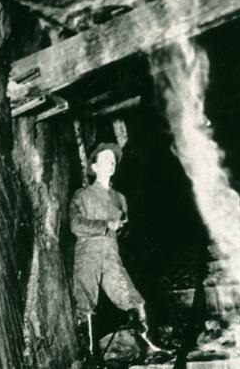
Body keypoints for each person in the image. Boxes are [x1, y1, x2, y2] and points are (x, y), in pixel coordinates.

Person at [70, 142, 162, 364]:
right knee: (85, 304)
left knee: (132, 298)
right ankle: (90, 357)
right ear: (94, 167)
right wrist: (106, 225)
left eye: (112, 161)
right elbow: (76, 225)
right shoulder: (82, 195)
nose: (110, 165)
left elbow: (125, 231)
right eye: (104, 161)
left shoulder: (120, 198)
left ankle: (148, 346)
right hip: (88, 254)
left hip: (112, 256)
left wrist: (124, 228)